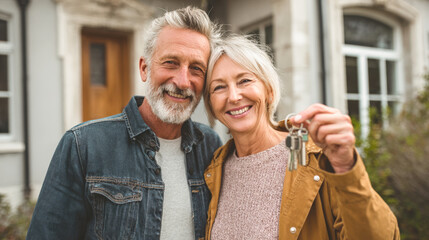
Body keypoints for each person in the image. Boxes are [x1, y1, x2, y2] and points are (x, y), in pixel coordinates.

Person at [27, 6, 223, 240]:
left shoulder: (210, 146)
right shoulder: (83, 146)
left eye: (196, 69)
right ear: (144, 68)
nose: (182, 81)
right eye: (170, 62)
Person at [202, 35, 400, 239]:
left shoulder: (316, 158)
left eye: (244, 80)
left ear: (269, 91)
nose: (233, 96)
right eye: (219, 87)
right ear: (211, 104)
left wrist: (345, 168)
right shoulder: (213, 170)